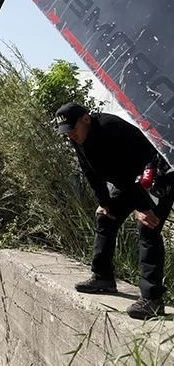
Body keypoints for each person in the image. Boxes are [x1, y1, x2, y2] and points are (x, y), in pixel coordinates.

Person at [54, 102, 174, 320]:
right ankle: (103, 278)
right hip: (128, 181)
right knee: (105, 219)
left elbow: (128, 171)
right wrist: (104, 202)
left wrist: (143, 208)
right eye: (66, 132)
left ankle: (152, 299)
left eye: (72, 129)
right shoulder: (78, 137)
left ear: (86, 119)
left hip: (156, 175)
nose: (70, 135)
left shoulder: (110, 128)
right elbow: (90, 171)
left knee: (148, 227)